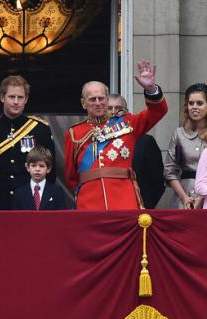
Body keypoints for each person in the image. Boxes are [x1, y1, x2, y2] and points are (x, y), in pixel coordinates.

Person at [64, 60, 168, 210]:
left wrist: (151, 89)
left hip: (123, 200)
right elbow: (71, 177)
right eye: (92, 99)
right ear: (83, 103)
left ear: (107, 100)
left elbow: (158, 112)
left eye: (102, 98)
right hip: (89, 203)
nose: (98, 103)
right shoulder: (74, 134)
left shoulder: (128, 123)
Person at [0, 75, 56, 210]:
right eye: (11, 97)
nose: (16, 102)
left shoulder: (40, 129)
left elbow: (51, 170)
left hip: (29, 202)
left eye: (20, 97)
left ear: (26, 99)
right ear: (2, 97)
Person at [108, 93, 165, 208]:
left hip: (138, 208)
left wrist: (145, 206)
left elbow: (157, 181)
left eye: (118, 108)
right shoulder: (96, 143)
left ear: (127, 112)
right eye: (109, 108)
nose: (113, 112)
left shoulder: (145, 142)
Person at [164, 83, 207, 209]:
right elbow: (169, 171)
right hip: (184, 196)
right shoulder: (179, 134)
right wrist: (184, 197)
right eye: (191, 103)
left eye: (199, 103)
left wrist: (202, 196)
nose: (194, 107)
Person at [12, 146, 66, 210]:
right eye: (33, 165)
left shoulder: (57, 192)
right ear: (27, 167)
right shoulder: (19, 193)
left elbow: (61, 217)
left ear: (48, 169)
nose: (37, 169)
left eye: (41, 166)